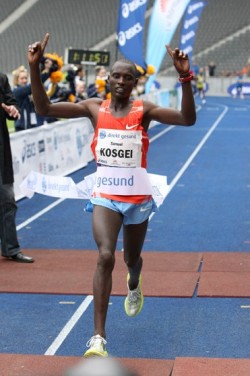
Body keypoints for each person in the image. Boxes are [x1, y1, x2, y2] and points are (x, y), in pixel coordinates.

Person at [28, 33, 196, 356]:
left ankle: (134, 281)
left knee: (130, 258)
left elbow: (188, 119)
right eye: (116, 76)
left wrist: (185, 76)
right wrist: (35, 68)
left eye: (127, 77)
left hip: (137, 198)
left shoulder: (143, 110)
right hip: (104, 194)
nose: (121, 81)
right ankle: (98, 338)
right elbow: (44, 106)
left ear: (135, 83)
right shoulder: (93, 108)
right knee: (105, 255)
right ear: (107, 79)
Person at [0, 72, 34, 262]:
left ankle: (10, 248)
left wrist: (12, 109)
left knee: (7, 200)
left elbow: (12, 102)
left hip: (1, 150)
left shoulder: (1, 78)